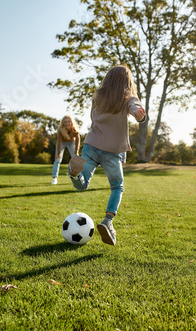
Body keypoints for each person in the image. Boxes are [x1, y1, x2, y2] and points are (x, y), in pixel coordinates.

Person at [67, 65, 147, 246]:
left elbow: (92, 118)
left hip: (92, 145)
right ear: (127, 81)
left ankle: (74, 173)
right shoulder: (128, 96)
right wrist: (138, 114)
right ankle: (108, 221)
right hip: (113, 151)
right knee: (117, 187)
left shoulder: (98, 95)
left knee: (83, 184)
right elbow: (136, 107)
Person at [51, 115, 80, 185]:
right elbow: (59, 142)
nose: (67, 123)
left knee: (76, 159)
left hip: (72, 142)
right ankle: (55, 178)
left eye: (69, 121)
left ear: (71, 122)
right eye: (65, 122)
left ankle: (78, 176)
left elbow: (77, 142)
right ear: (63, 123)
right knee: (57, 159)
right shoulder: (60, 129)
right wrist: (58, 154)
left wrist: (76, 153)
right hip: (62, 143)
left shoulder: (75, 130)